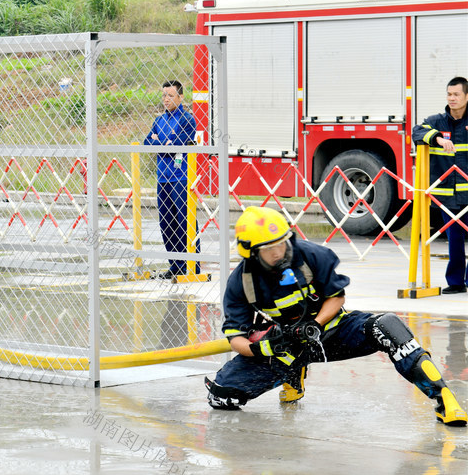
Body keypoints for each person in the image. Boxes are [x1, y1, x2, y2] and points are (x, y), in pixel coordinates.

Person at [204, 206, 467, 426]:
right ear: (250, 252)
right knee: (222, 398)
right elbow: (235, 339)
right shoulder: (241, 282)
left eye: (281, 243)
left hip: (330, 330)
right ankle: (293, 373)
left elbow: (337, 297)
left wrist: (315, 324)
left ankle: (443, 397)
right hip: (283, 346)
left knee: (387, 326)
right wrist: (264, 348)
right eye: (269, 248)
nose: (279, 252)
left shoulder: (311, 255)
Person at [412, 76, 468, 295]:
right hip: (447, 195)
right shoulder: (436, 121)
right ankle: (455, 282)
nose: (451, 98)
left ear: (466, 97)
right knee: (454, 238)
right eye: (449, 94)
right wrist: (437, 138)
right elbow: (416, 132)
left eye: (456, 94)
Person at [144, 79, 196, 279]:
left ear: (181, 97)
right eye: (164, 95)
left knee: (184, 222)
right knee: (166, 223)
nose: (166, 99)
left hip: (181, 178)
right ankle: (175, 266)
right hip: (163, 178)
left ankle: (191, 266)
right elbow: (148, 142)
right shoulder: (158, 121)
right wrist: (161, 143)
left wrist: (163, 144)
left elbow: (177, 145)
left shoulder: (186, 119)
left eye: (171, 95)